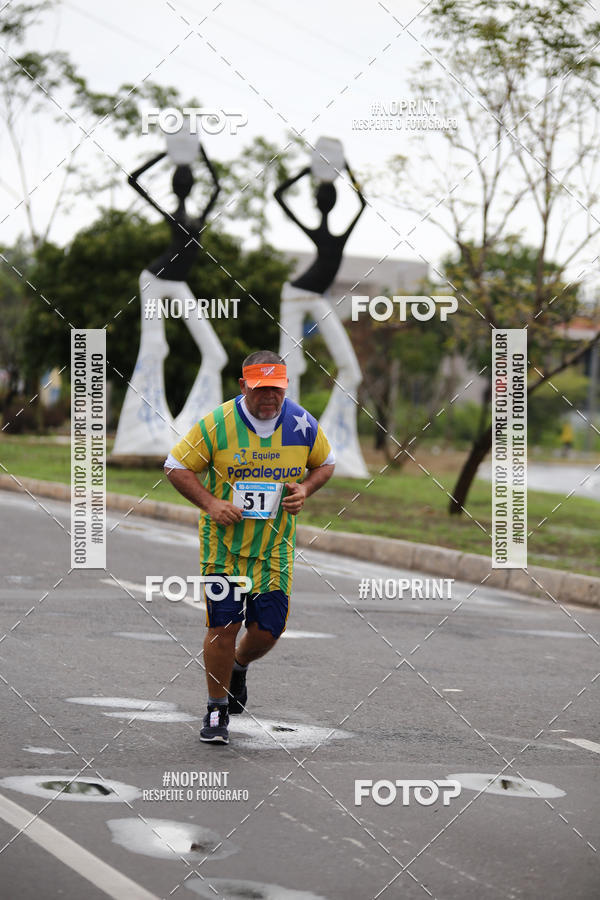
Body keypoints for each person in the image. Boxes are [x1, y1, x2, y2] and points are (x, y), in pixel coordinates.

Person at [164, 350, 335, 744]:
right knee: (223, 626)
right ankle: (215, 710)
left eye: (277, 389)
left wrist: (305, 489)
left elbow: (325, 463)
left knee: (267, 632)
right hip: (223, 547)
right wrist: (210, 503)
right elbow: (175, 465)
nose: (270, 398)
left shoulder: (300, 423)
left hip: (274, 549)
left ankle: (238, 666)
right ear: (243, 386)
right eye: (261, 390)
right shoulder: (217, 424)